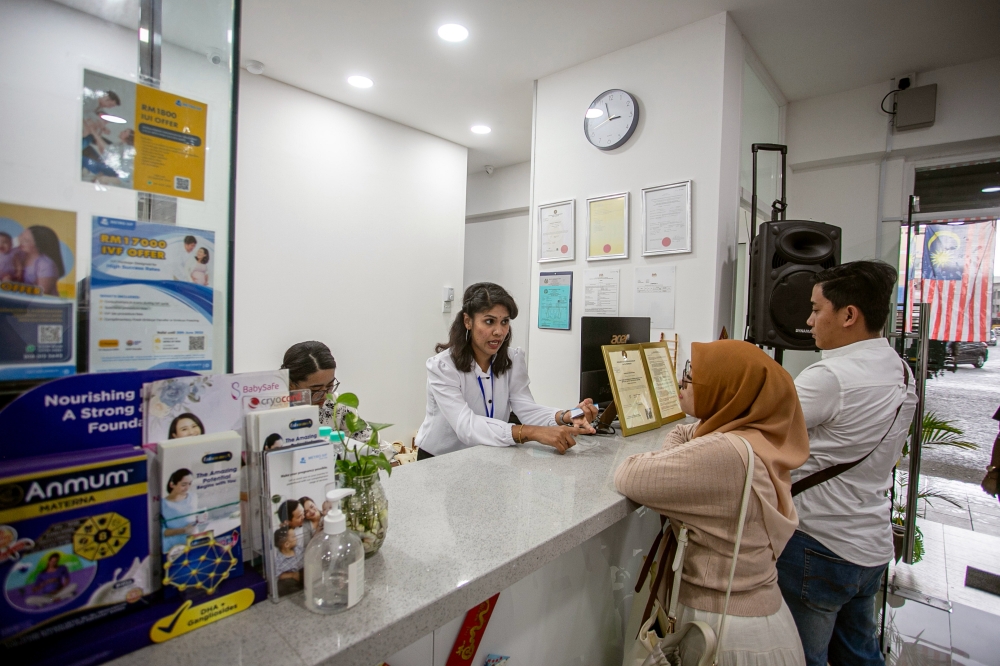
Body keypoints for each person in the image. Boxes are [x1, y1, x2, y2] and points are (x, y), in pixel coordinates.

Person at [614, 340, 809, 665]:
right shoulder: (757, 436)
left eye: (694, 374)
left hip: (724, 632)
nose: (684, 381)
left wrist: (675, 455)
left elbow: (630, 474)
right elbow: (684, 435)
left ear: (729, 389)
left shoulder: (725, 454)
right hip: (755, 620)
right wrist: (682, 452)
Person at [776, 261, 917, 666]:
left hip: (819, 543)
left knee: (802, 657)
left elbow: (760, 430)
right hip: (871, 544)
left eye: (816, 309)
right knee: (859, 656)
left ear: (849, 315)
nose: (809, 320)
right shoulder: (901, 372)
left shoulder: (830, 377)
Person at [414, 282, 596, 459]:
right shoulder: (443, 367)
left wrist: (567, 416)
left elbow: (526, 409)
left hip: (488, 455)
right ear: (468, 321)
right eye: (489, 321)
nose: (499, 331)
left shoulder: (512, 359)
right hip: (440, 459)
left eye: (505, 322)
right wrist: (530, 432)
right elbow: (466, 426)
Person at [281, 341, 379, 447]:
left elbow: (372, 445)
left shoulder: (337, 406)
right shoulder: (275, 411)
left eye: (329, 386)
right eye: (315, 390)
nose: (325, 396)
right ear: (291, 384)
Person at [17, 226, 64, 296]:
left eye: (26, 241)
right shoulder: (19, 254)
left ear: (38, 245)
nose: (20, 241)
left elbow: (43, 293)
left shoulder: (46, 264)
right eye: (21, 236)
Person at [161, 468, 198, 552]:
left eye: (190, 484)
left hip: (193, 543)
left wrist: (200, 518)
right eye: (183, 484)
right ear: (172, 484)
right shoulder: (163, 504)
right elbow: (161, 532)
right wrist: (184, 530)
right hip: (173, 548)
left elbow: (192, 518)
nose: (187, 488)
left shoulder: (193, 497)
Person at [272, 526, 303, 596]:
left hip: (302, 573)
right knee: (284, 584)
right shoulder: (280, 559)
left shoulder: (298, 549)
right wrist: (292, 575)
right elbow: (279, 574)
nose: (296, 538)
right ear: (287, 544)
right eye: (293, 537)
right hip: (291, 578)